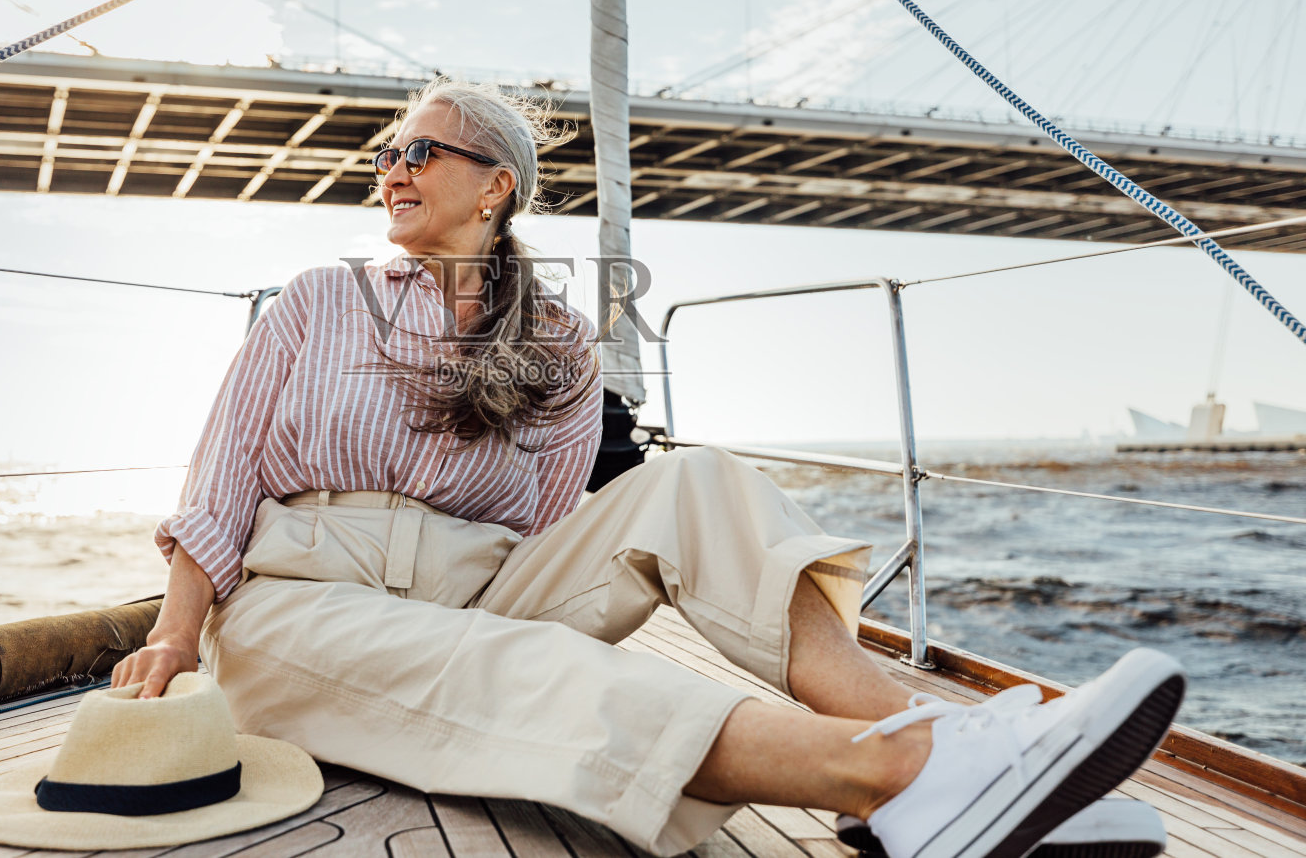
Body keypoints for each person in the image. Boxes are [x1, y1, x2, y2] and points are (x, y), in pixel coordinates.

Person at [112, 77, 1185, 858]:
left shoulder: (561, 341)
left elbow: (543, 521)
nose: (391, 167)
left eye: (419, 150)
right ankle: (898, 776)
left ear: (495, 188)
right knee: (524, 667)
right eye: (386, 152)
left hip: (485, 586)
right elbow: (221, 480)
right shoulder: (315, 300)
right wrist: (173, 632)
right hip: (307, 605)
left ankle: (954, 740)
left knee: (697, 479)